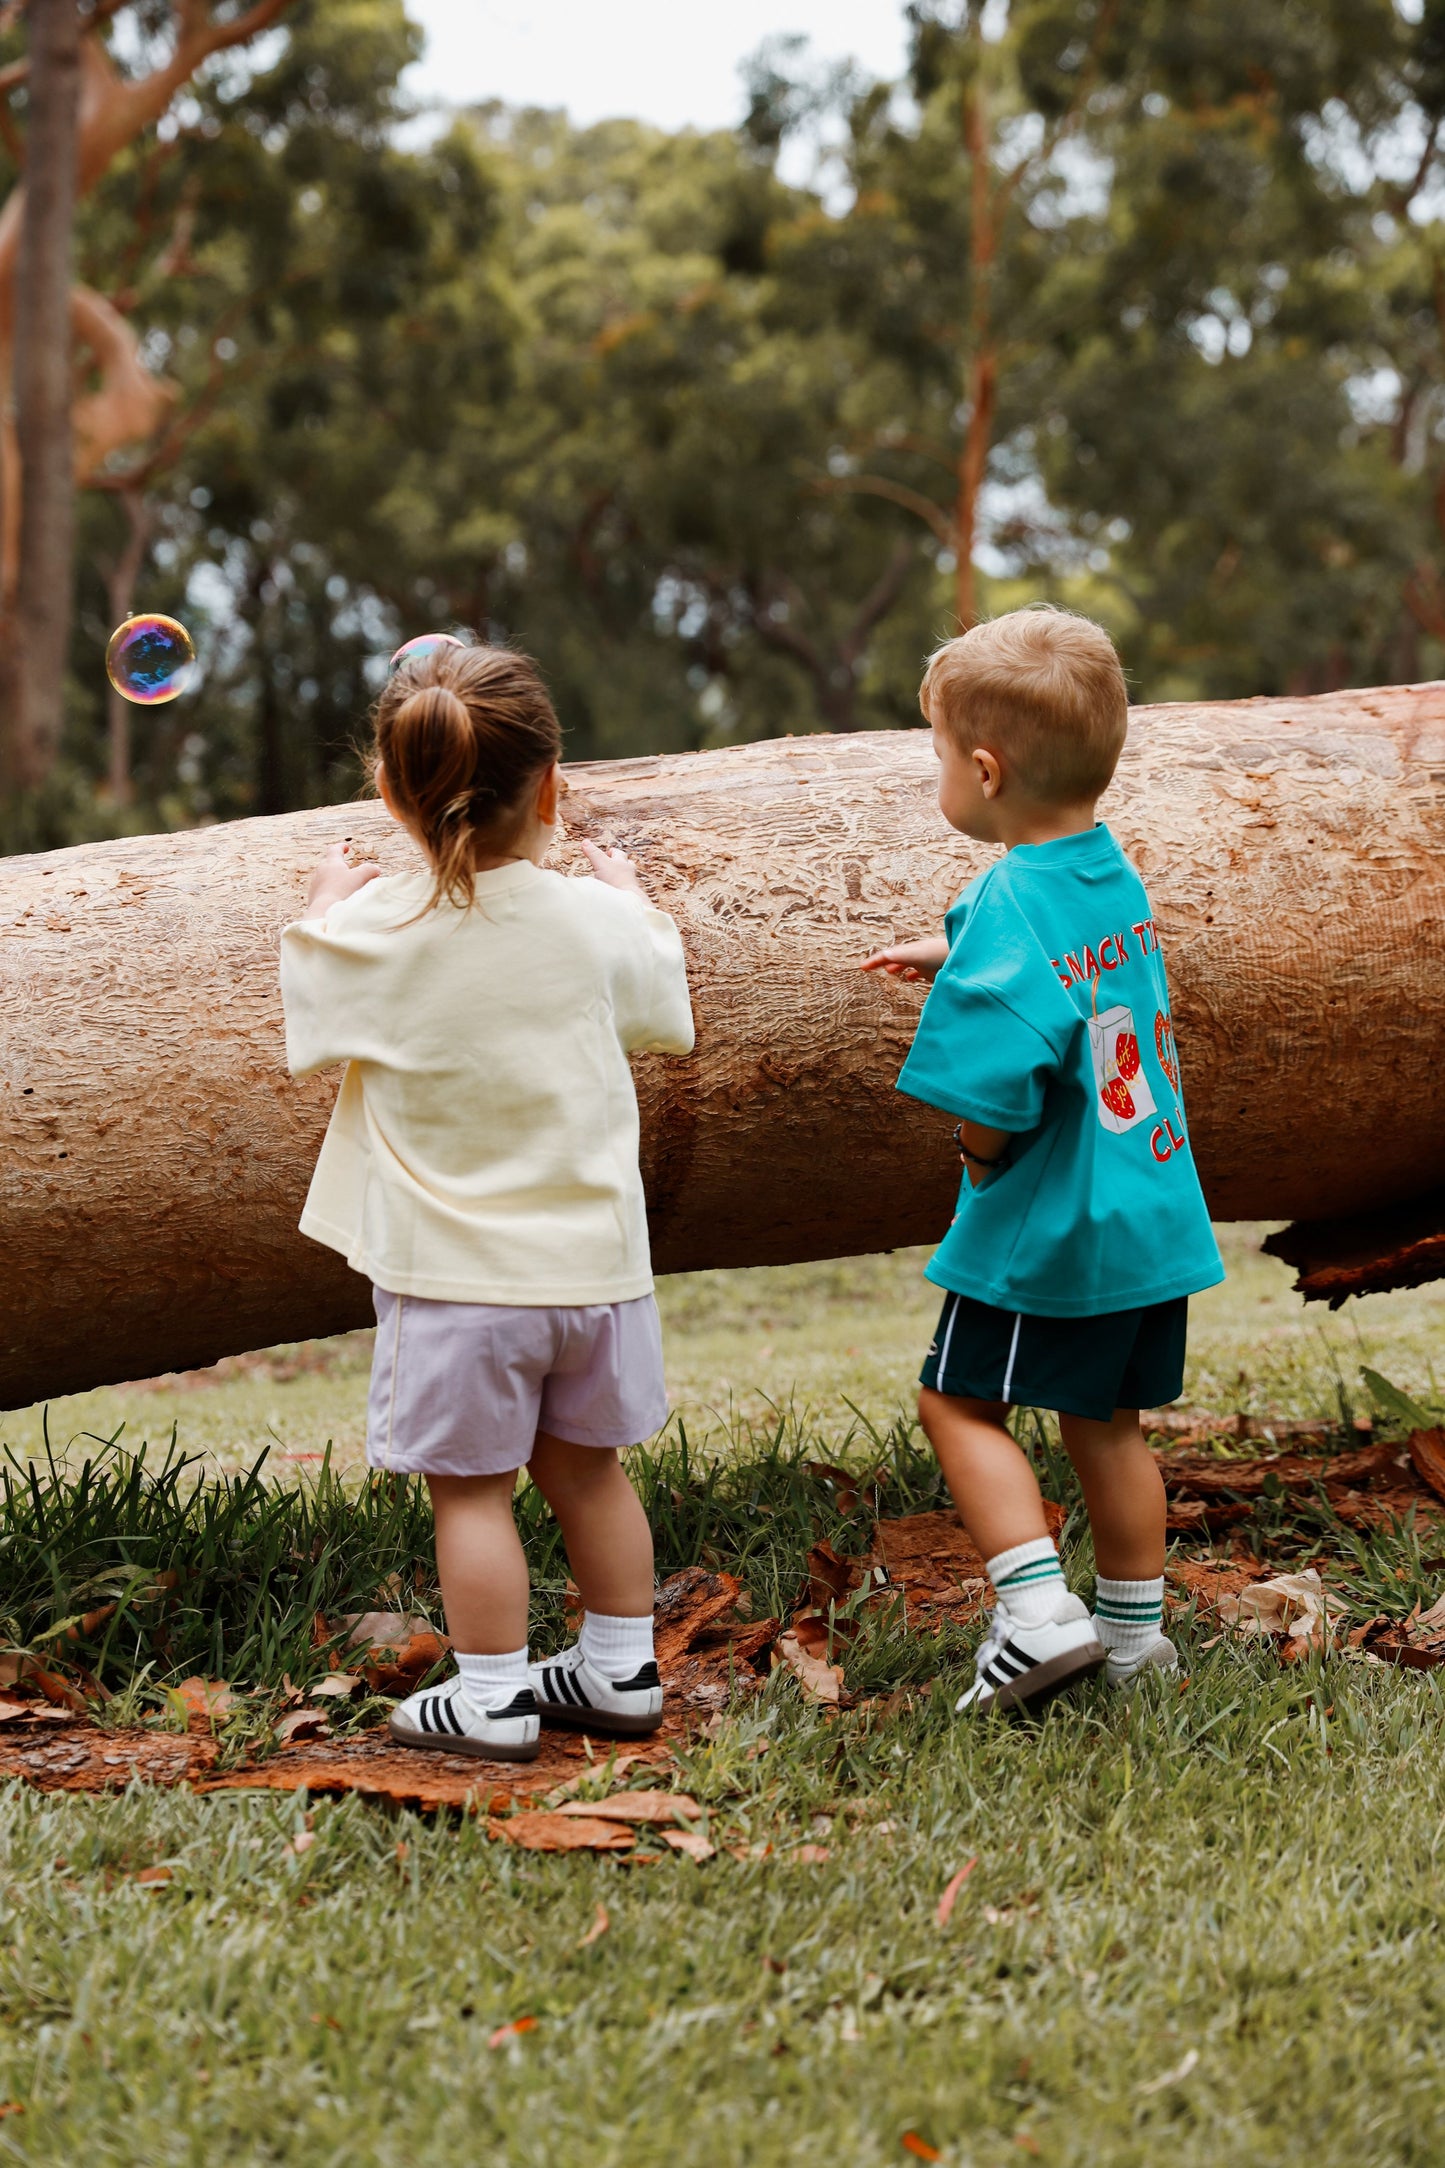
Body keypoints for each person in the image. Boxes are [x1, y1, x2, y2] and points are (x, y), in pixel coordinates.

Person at [280, 639, 694, 1762]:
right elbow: (664, 1000)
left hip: (455, 1283)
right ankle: (618, 1670)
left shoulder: (375, 930)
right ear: (551, 786)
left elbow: (310, 1025)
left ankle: (493, 1692)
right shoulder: (593, 921)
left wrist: (322, 906)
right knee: (589, 1473)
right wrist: (630, 894)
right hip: (598, 1277)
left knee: (470, 1495)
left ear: (389, 792)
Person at [862, 607, 1222, 1717]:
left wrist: (977, 1164)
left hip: (1053, 1222)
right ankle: (1129, 1636)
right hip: (1147, 1209)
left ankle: (1032, 1614)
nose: (937, 774)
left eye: (935, 757)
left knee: (955, 1404)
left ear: (982, 767)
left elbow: (992, 1087)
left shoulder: (1009, 897)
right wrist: (954, 948)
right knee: (1103, 1421)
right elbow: (1070, 968)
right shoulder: (1105, 870)